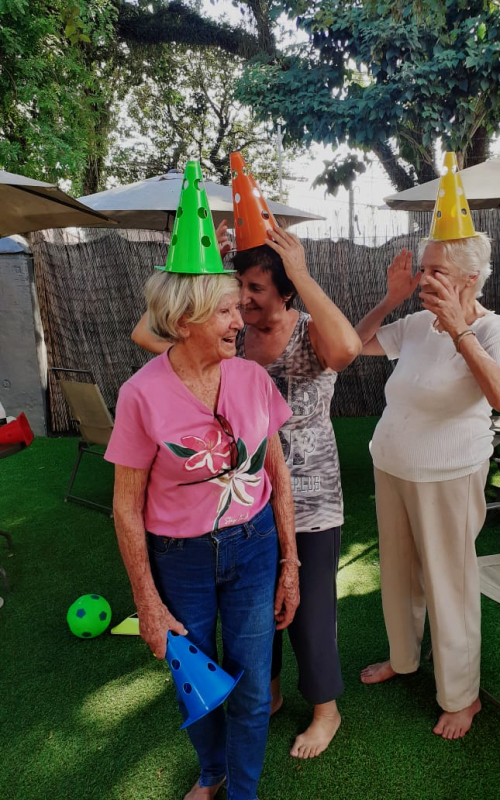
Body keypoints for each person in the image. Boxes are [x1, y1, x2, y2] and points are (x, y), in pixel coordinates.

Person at [133, 225, 362, 759]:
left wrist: (301, 271)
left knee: (308, 610)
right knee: (258, 615)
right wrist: (196, 275)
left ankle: (327, 708)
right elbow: (149, 332)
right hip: (247, 504)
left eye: (254, 288)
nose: (243, 299)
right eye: (236, 289)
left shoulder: (309, 332)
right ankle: (272, 690)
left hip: (311, 494)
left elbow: (349, 348)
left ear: (285, 292)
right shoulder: (229, 338)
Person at [106, 268, 299, 800]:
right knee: (195, 683)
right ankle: (212, 770)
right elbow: (125, 506)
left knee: (254, 686)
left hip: (255, 546)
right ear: (185, 319)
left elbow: (278, 475)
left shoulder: (253, 378)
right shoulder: (140, 394)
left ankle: (243, 791)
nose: (242, 320)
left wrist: (291, 564)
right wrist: (145, 599)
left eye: (240, 307)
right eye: (226, 311)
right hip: (179, 558)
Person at [356, 235, 500, 740]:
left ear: (471, 277)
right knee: (399, 572)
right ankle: (403, 659)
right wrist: (391, 298)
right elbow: (350, 346)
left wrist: (459, 331)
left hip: (449, 473)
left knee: (449, 583)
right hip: (392, 466)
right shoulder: (415, 324)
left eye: (436, 271)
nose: (425, 279)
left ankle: (461, 696)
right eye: (423, 269)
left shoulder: (494, 329)